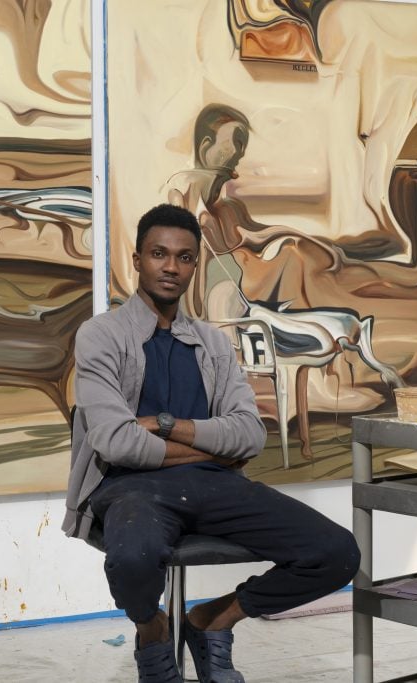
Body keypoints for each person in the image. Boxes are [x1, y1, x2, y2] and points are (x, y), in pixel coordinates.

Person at [62, 203, 361, 683]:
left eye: (183, 257)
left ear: (194, 266)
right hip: (130, 488)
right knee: (132, 560)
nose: (171, 267)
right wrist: (214, 444)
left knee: (337, 552)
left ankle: (212, 620)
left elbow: (250, 434)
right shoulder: (101, 335)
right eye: (159, 254)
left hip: (216, 486)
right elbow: (116, 444)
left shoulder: (213, 342)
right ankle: (154, 629)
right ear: (137, 259)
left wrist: (162, 425)